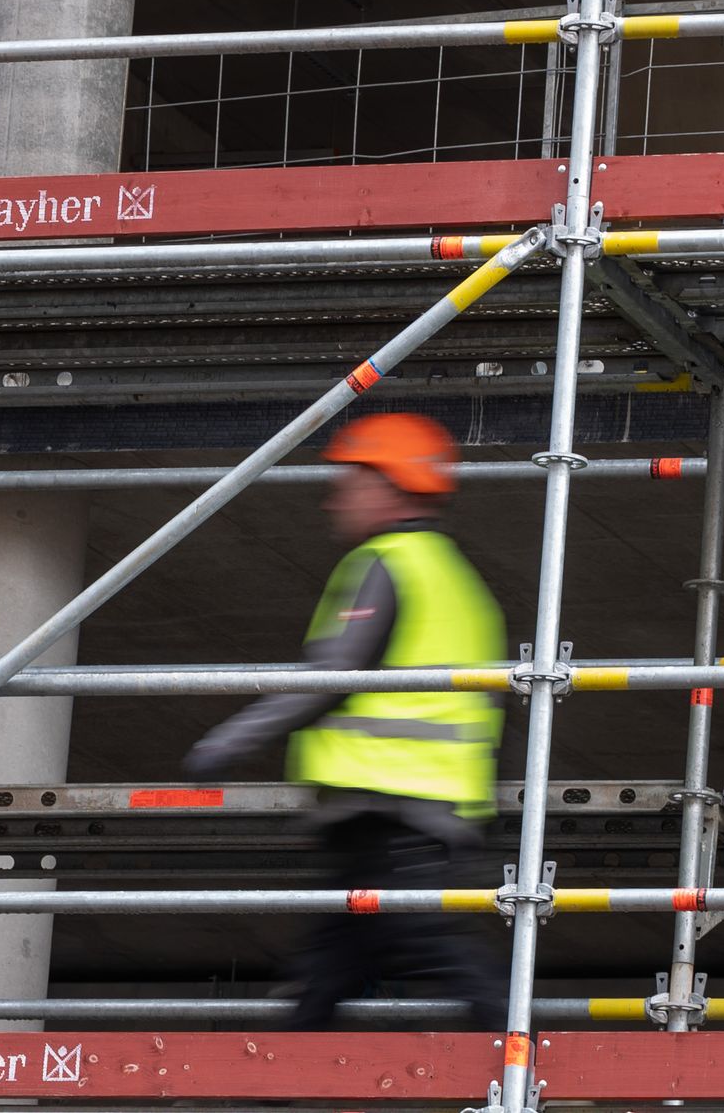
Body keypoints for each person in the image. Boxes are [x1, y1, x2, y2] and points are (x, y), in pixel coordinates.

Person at [183, 412, 508, 1030]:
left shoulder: (387, 563)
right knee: (330, 960)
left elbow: (333, 676)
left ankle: (530, 1057)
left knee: (419, 940)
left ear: (391, 485)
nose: (336, 497)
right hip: (405, 805)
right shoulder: (453, 577)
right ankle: (272, 1087)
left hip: (397, 804)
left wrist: (226, 741)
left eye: (351, 480)